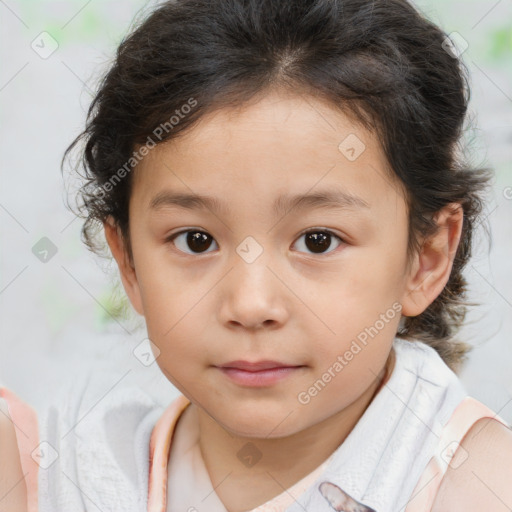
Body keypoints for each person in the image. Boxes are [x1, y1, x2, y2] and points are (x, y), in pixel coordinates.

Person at [1, 0, 512, 510]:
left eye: (318, 240)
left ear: (426, 256)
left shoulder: (480, 486)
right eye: (195, 240)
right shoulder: (72, 471)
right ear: (129, 261)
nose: (250, 304)